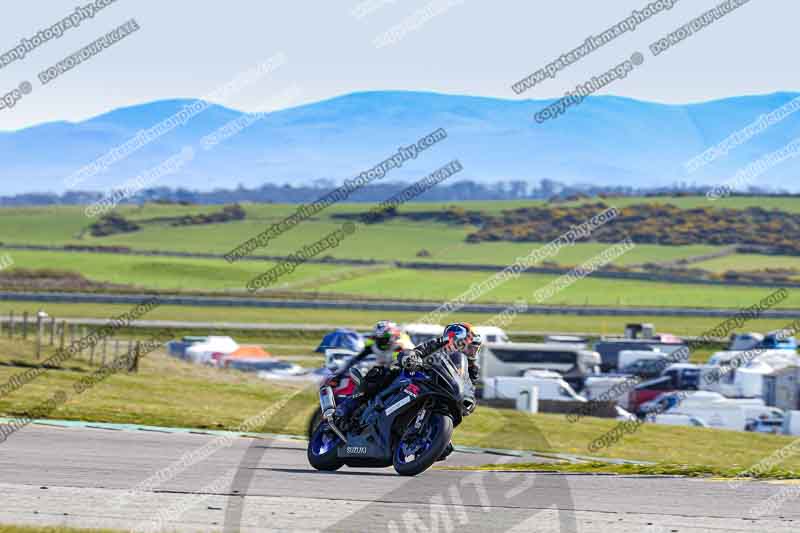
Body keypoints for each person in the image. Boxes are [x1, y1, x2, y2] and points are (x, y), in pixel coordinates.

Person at [335, 322, 482, 433]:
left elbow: (470, 388)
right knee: (380, 374)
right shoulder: (440, 345)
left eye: (475, 348)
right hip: (416, 377)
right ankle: (345, 409)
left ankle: (425, 434)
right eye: (470, 347)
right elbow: (421, 349)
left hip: (443, 393)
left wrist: (469, 402)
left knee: (446, 448)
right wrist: (412, 356)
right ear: (456, 341)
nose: (472, 352)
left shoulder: (471, 367)